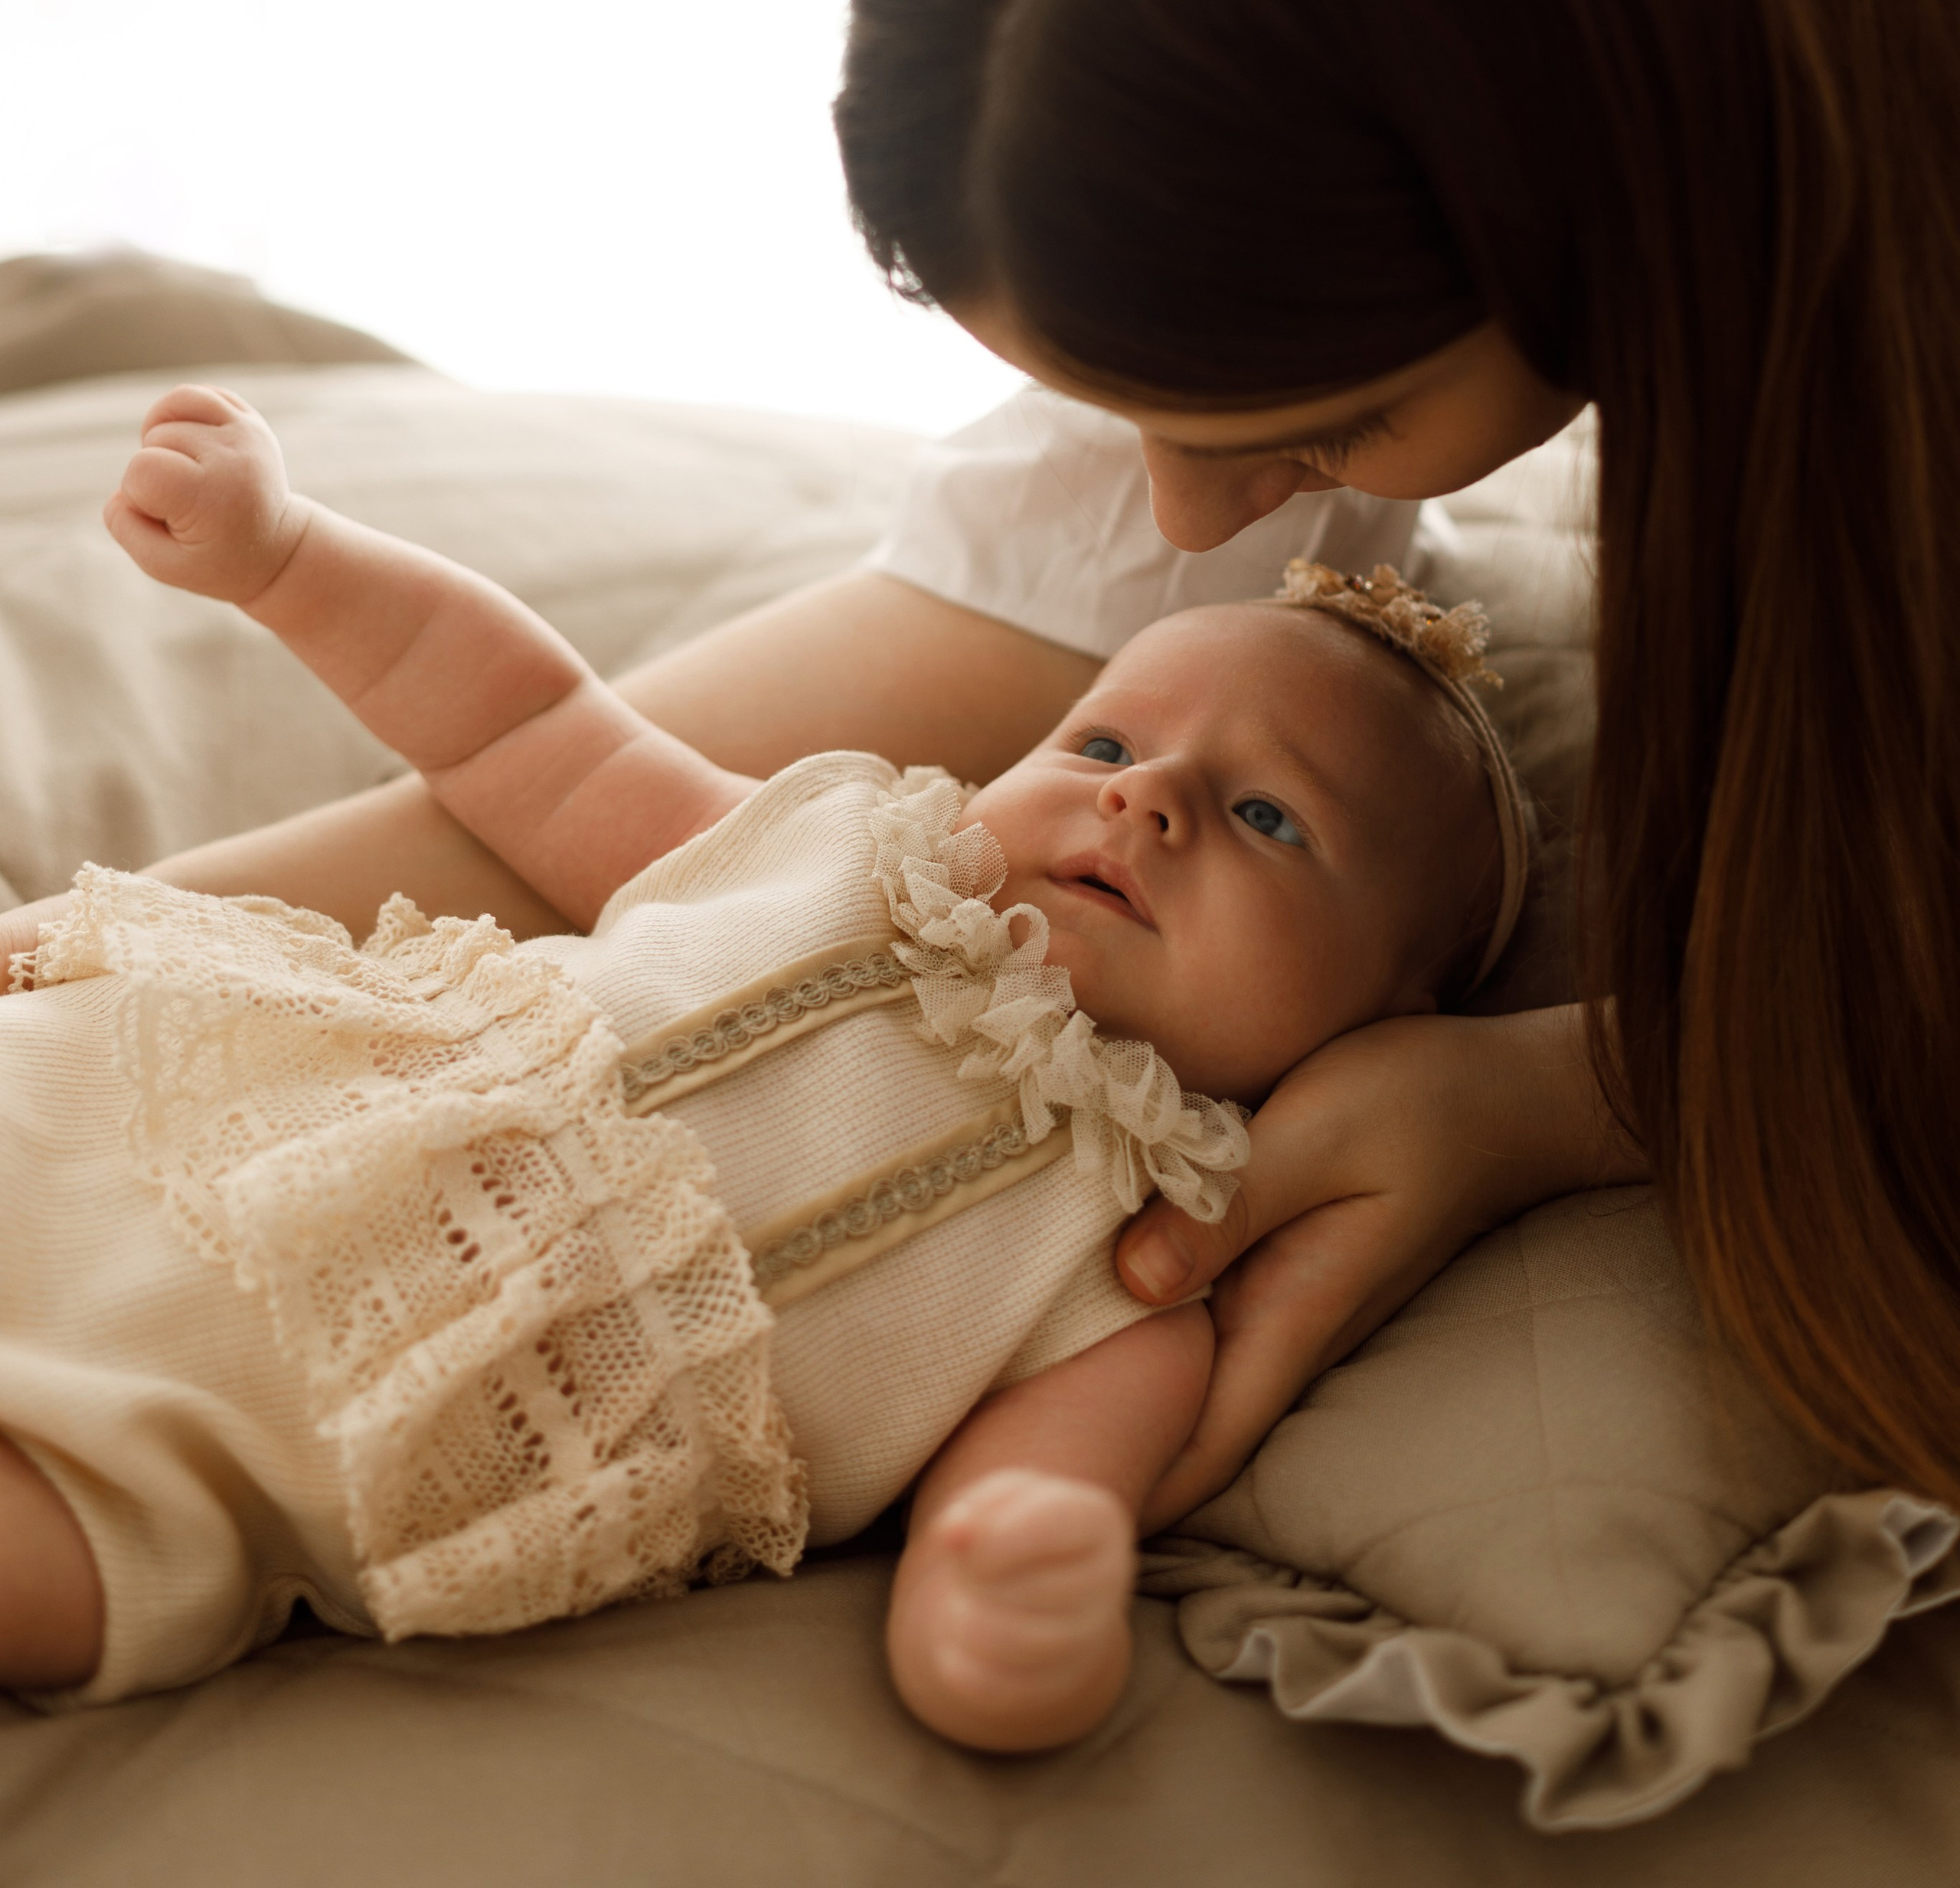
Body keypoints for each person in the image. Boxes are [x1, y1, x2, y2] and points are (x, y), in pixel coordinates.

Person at [139, 0, 1960, 1519]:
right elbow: (630, 785)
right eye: (1113, 404)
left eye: (1322, 421)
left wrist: (1550, 1096)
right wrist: (93, 956)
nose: (1202, 514)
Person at [0, 387, 1528, 1739]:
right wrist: (287, 555)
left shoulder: (1138, 1258)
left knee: (68, 1576)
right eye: (1105, 747)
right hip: (188, 1128)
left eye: (1271, 818)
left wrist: (1006, 1615)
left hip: (286, 1447)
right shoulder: (827, 852)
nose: (1150, 804)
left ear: (1382, 1020)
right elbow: (526, 721)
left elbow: (1035, 1496)